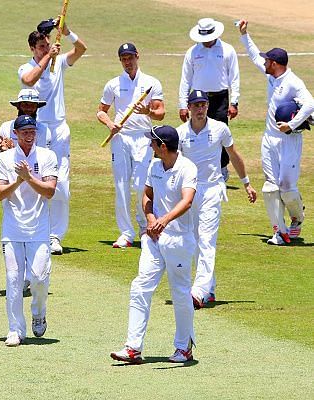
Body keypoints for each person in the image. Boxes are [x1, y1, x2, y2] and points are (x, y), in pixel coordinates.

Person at [110, 125, 198, 364]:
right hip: (154, 238)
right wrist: (151, 218)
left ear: (163, 146)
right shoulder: (154, 166)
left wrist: (164, 220)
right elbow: (147, 195)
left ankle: (184, 347)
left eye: (153, 142)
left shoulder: (187, 168)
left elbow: (187, 201)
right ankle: (133, 347)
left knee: (180, 293)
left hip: (179, 239)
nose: (150, 145)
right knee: (140, 287)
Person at [177, 90, 257, 308]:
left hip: (213, 190)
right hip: (190, 192)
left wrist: (247, 182)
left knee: (206, 239)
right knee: (194, 241)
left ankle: (199, 291)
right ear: (189, 108)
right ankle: (209, 289)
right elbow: (175, 166)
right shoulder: (180, 133)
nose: (200, 109)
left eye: (203, 104)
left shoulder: (220, 128)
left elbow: (233, 155)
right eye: (196, 105)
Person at [238, 20, 314, 244]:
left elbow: (310, 104)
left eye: (267, 60)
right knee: (271, 188)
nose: (264, 62)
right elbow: (254, 56)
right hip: (269, 139)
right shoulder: (271, 75)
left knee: (287, 188)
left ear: (276, 63)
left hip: (289, 141)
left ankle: (297, 217)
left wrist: (291, 125)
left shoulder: (293, 82)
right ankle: (279, 232)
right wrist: (244, 35)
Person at [18, 18, 87, 255]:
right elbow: (29, 80)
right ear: (32, 49)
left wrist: (67, 32)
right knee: (37, 180)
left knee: (62, 186)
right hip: (36, 129)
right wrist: (49, 58)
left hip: (59, 128)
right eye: (41, 48)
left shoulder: (58, 63)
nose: (46, 50)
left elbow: (81, 50)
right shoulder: (26, 67)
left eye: (47, 46)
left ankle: (55, 236)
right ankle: (37, 230)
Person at [0, 115, 58, 347]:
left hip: (39, 228)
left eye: (33, 131)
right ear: (16, 134)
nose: (29, 136)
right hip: (12, 228)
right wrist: (19, 181)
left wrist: (28, 177)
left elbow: (49, 191)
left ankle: (38, 312)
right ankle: (15, 329)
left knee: (39, 278)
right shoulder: (4, 159)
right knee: (13, 279)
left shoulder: (47, 156)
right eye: (25, 132)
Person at [96, 42, 165, 248]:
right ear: (120, 61)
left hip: (144, 138)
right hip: (120, 137)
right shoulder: (113, 84)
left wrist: (148, 113)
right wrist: (110, 124)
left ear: (137, 56)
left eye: (130, 57)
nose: (127, 62)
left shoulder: (151, 82)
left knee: (140, 184)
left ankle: (144, 227)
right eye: (123, 59)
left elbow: (161, 113)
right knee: (121, 186)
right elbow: (101, 111)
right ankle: (126, 232)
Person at [179, 18, 241, 182]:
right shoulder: (192, 52)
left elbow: (234, 77)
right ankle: (196, 169)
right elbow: (185, 79)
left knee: (219, 132)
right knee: (197, 132)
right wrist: (182, 105)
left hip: (220, 97)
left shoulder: (227, 50)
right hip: (198, 98)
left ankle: (221, 168)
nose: (205, 42)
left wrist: (234, 102)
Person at [0, 88, 53, 158]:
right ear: (18, 106)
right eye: (25, 104)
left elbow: (43, 160)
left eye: (33, 105)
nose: (29, 108)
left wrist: (11, 152)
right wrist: (4, 152)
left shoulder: (44, 130)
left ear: (37, 107)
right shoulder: (6, 127)